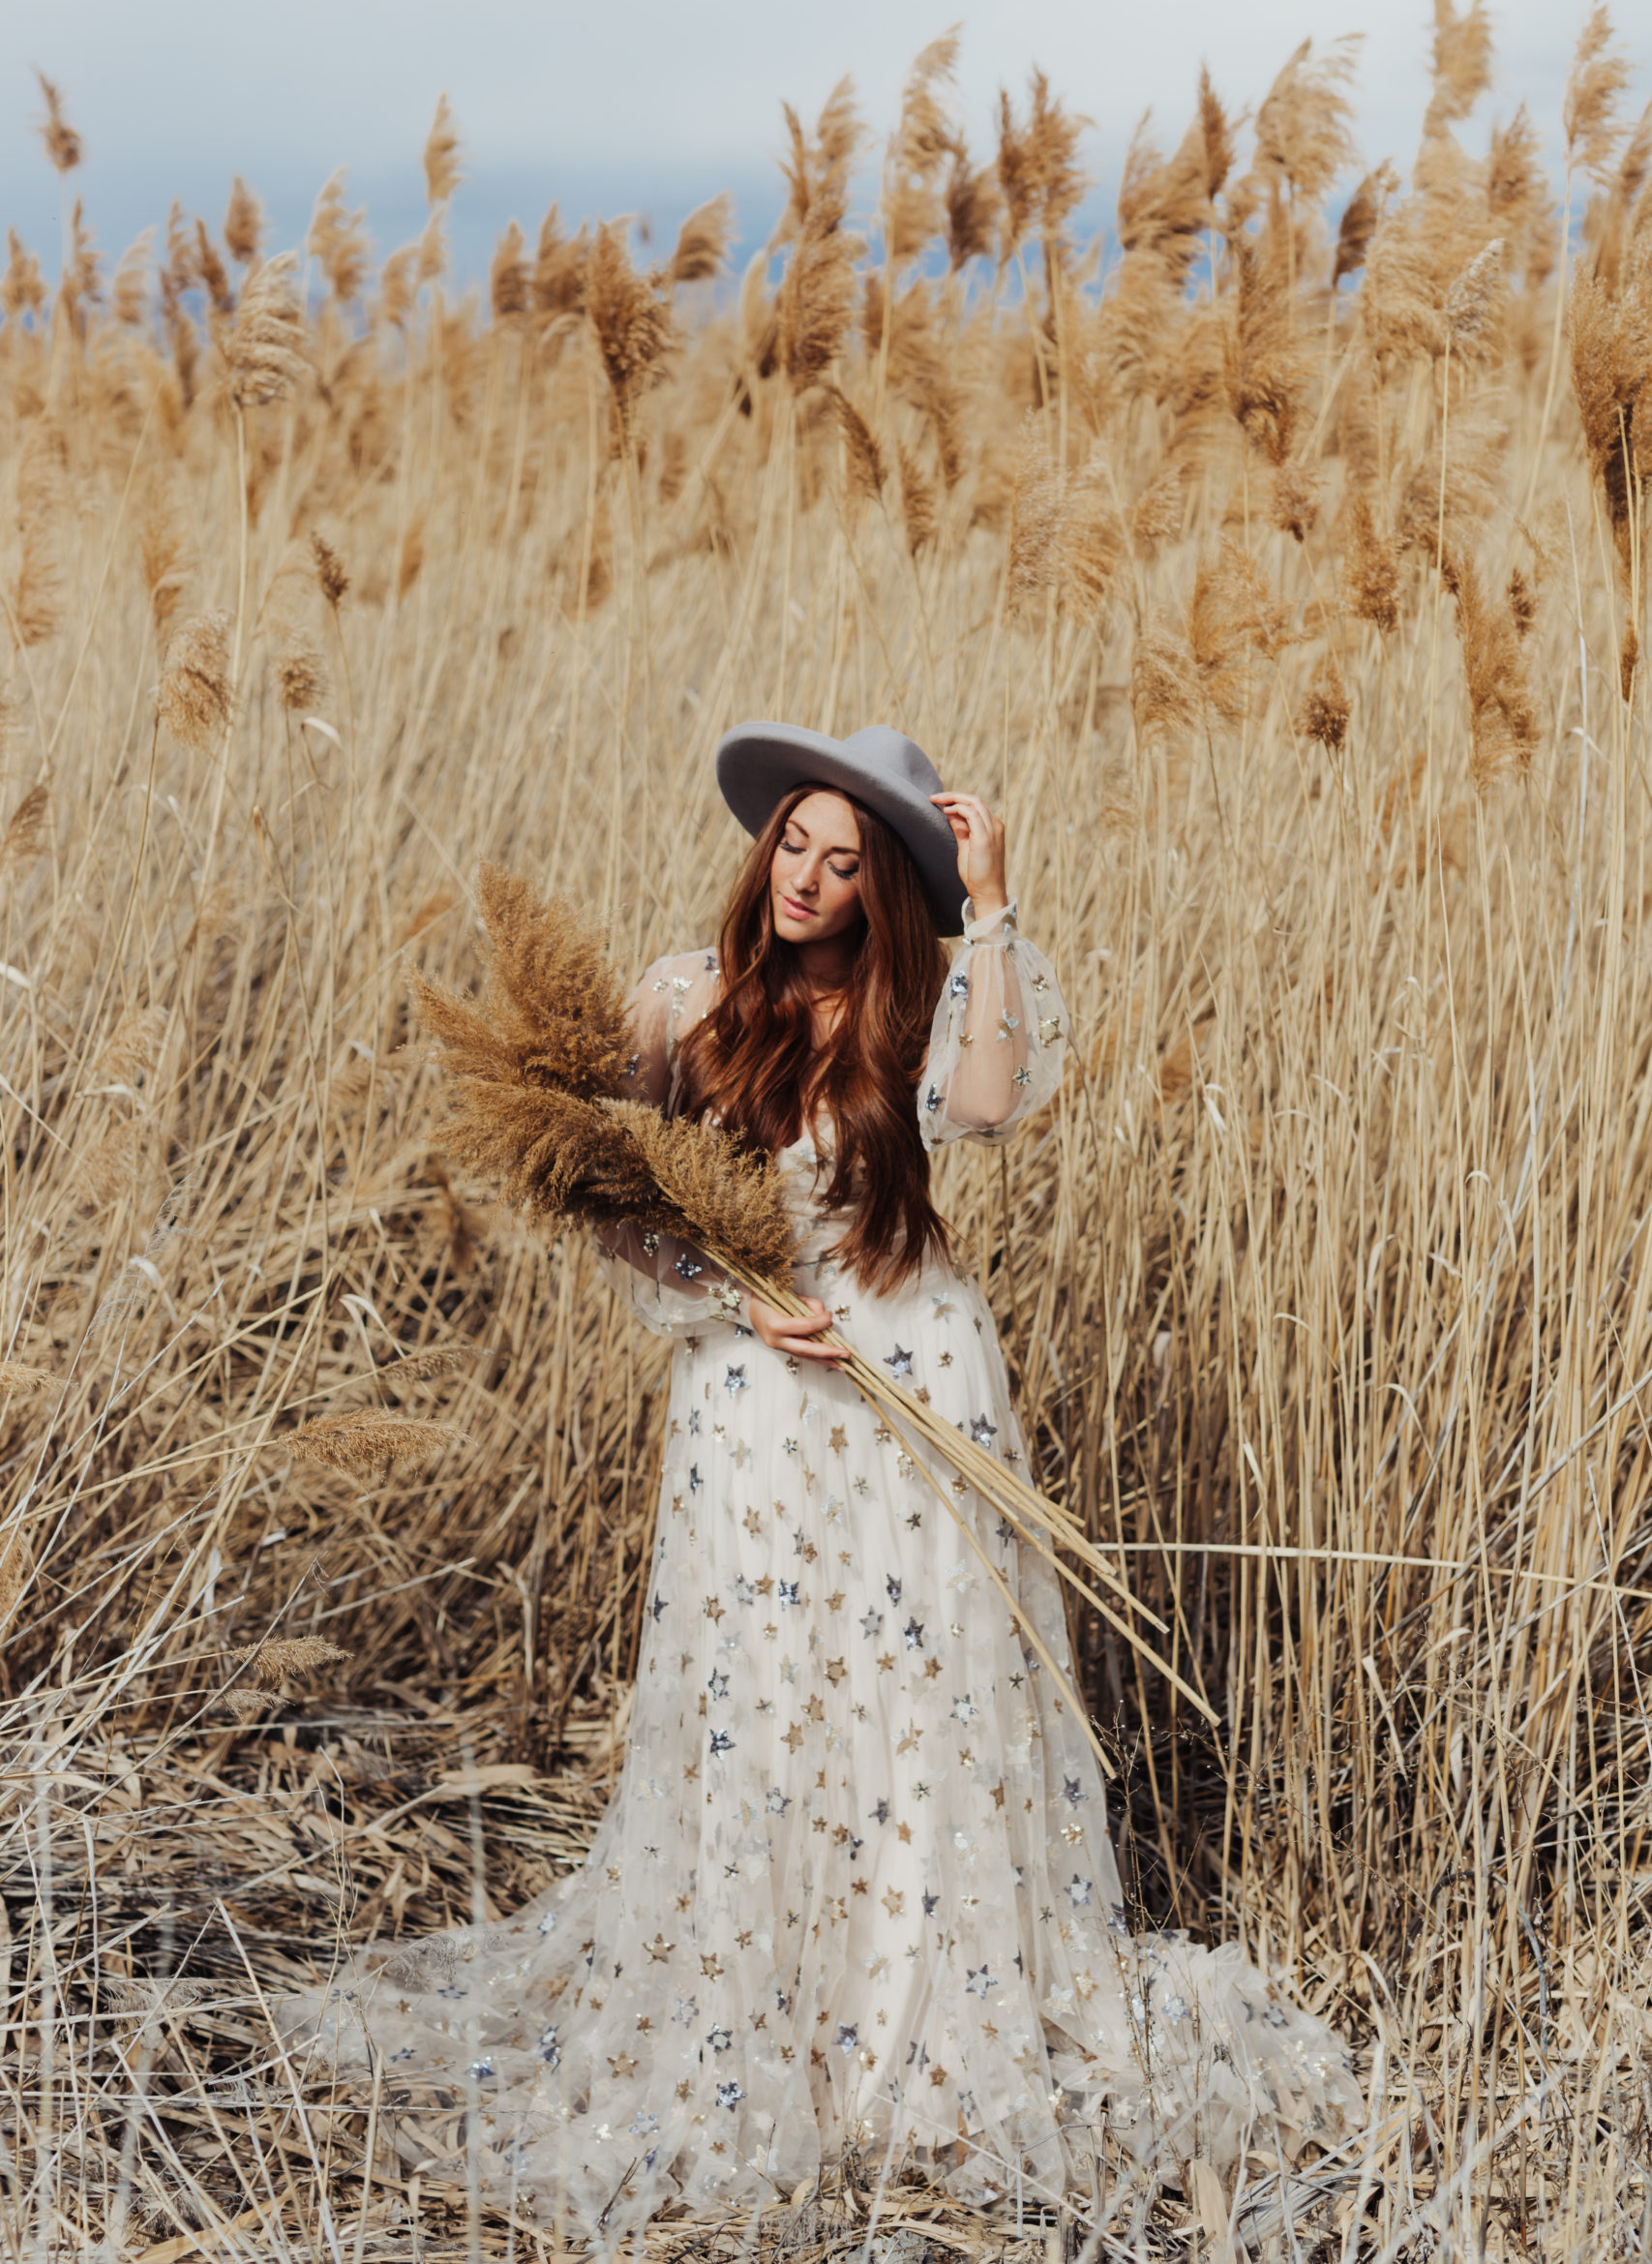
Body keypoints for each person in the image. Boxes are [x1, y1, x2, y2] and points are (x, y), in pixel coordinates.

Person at [288, 722, 1359, 2235]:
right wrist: (732, 1296)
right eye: (795, 842)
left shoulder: (923, 1001)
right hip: (753, 1393)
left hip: (913, 1371)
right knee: (770, 1688)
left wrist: (990, 901)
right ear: (765, 845)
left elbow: (988, 1109)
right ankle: (774, 2016)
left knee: (916, 1694)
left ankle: (915, 2026)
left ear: (882, 887)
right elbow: (612, 1200)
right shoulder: (689, 997)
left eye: (846, 861)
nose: (806, 877)